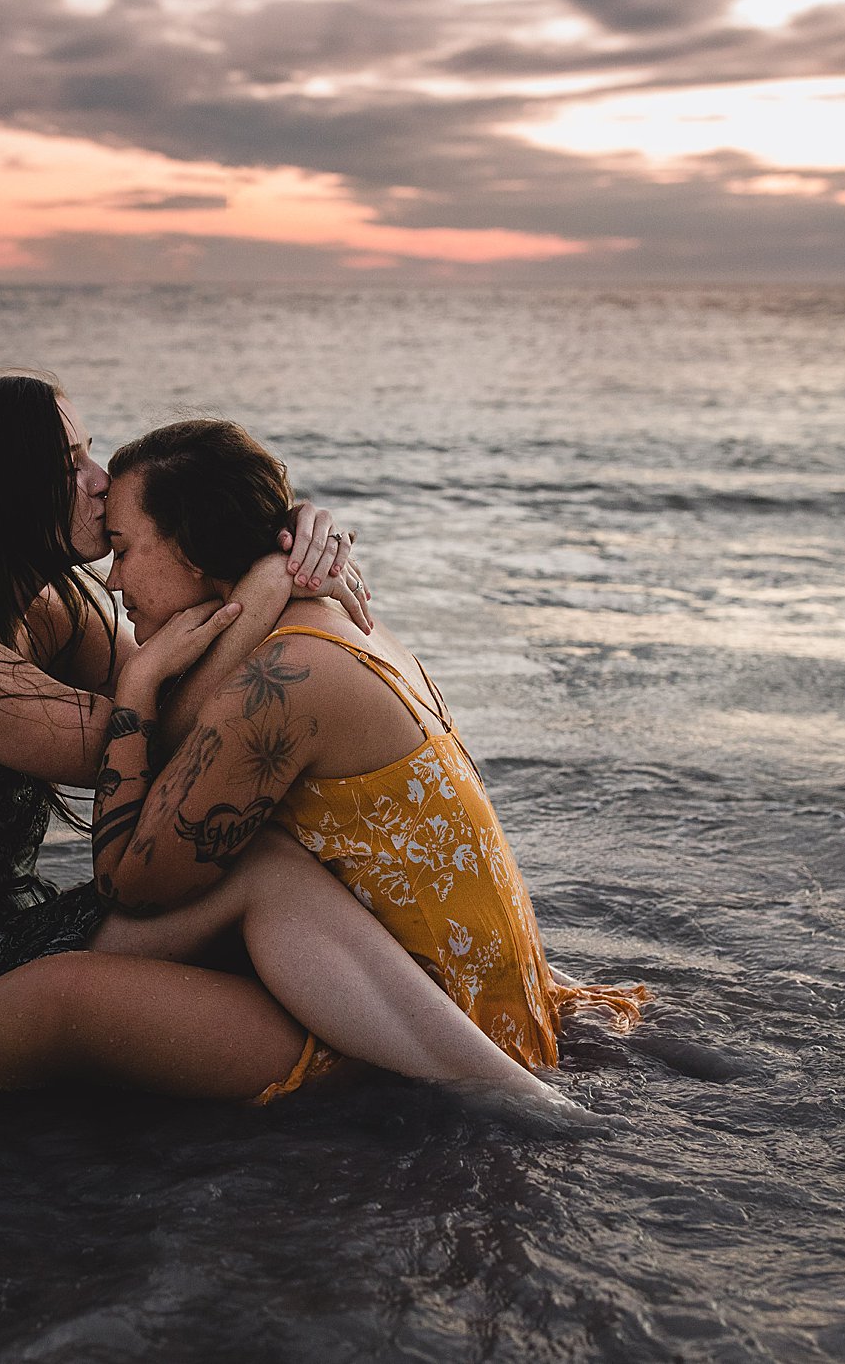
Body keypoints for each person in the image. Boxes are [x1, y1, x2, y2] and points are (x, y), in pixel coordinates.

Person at [0, 371, 595, 1110]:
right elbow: (155, 736)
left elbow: (188, 705)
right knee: (259, 870)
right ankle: (501, 1090)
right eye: (72, 464)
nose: (99, 481)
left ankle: (484, 1039)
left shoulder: (50, 611)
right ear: (5, 492)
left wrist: (283, 535)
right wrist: (266, 584)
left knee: (256, 846)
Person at [92, 418, 651, 1103]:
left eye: (120, 549)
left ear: (189, 545)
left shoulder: (289, 672)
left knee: (102, 962)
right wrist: (271, 570)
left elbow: (131, 883)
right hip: (476, 993)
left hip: (440, 1025)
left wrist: (137, 685)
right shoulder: (325, 623)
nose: (111, 578)